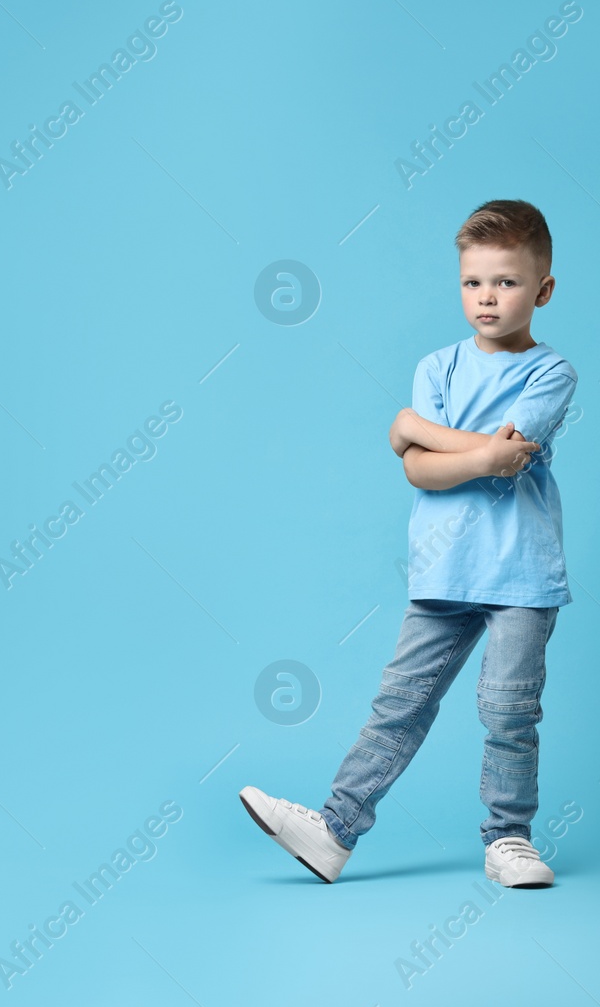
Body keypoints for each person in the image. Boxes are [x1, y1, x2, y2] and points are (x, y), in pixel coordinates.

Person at [240, 198, 578, 888]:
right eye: (473, 282)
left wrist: (414, 427)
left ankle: (509, 837)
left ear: (542, 290)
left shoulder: (551, 373)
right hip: (443, 567)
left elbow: (500, 457)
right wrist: (463, 449)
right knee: (400, 705)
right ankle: (335, 830)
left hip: (520, 574)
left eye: (506, 283)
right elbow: (417, 468)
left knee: (508, 710)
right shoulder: (438, 368)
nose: (487, 297)